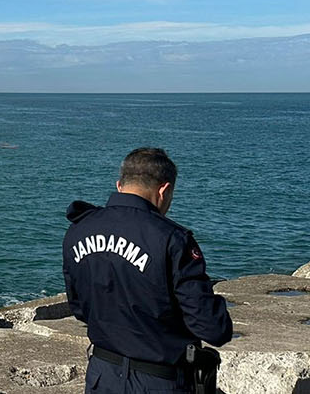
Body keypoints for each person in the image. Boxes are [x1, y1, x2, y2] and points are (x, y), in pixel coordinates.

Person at [63, 148, 232, 394]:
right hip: (161, 380)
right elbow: (213, 329)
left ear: (120, 185)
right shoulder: (173, 240)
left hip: (102, 375)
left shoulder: (78, 229)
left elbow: (79, 307)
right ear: (163, 190)